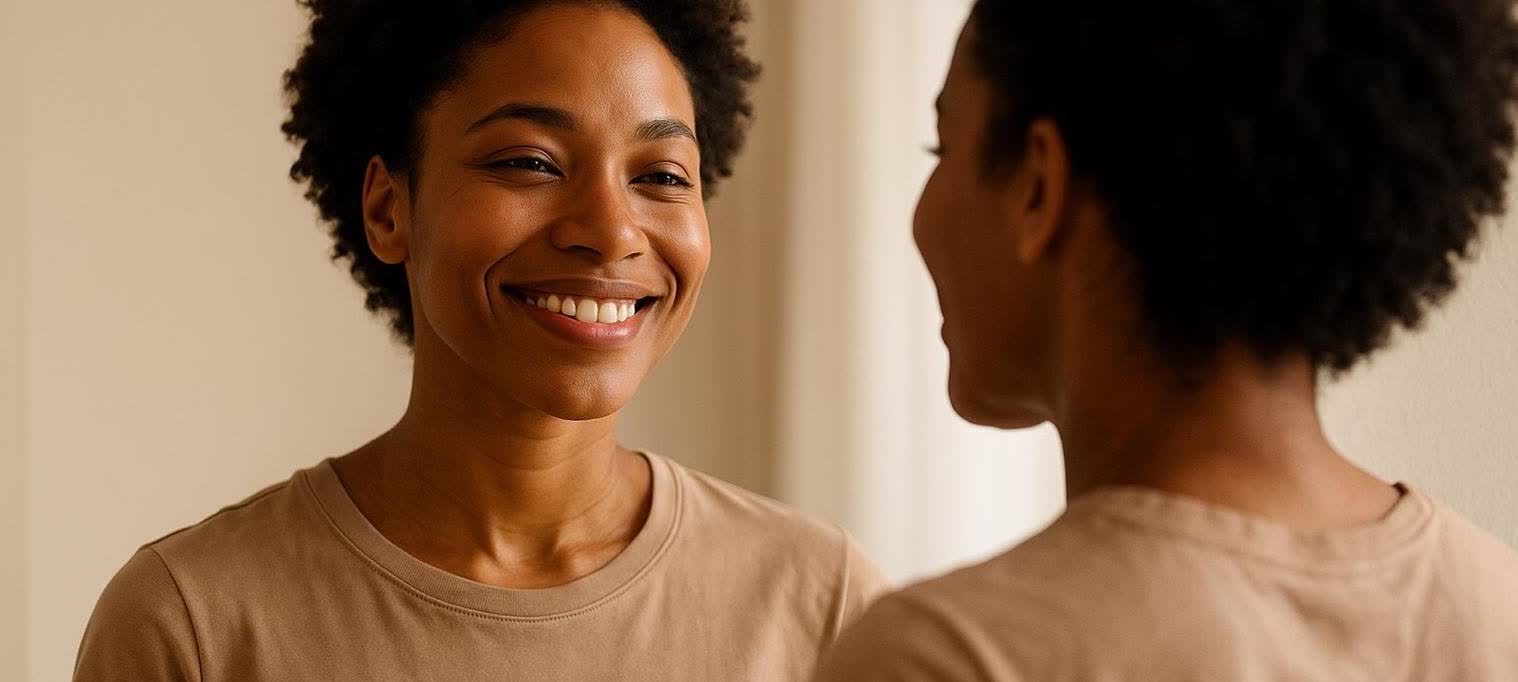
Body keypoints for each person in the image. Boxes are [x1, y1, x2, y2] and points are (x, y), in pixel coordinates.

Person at [75, 1, 888, 679]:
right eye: (530, 162)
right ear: (390, 210)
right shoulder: (192, 627)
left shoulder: (824, 604)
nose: (611, 232)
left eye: (661, 176)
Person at [817, 1, 1518, 679]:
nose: (918, 218)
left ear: (1038, 183)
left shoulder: (946, 659)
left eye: (941, 146)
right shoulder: (1498, 610)